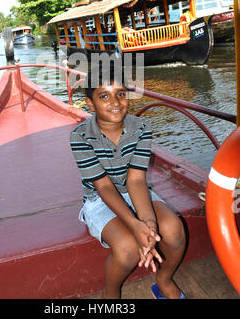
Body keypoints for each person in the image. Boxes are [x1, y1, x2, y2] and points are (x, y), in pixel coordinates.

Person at [70, 61, 186, 299]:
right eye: (104, 96)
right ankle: (110, 293)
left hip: (136, 191)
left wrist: (148, 225)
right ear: (90, 103)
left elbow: (136, 180)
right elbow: (102, 185)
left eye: (120, 94)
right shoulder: (79, 136)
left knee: (174, 231)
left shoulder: (140, 127)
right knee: (127, 249)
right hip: (100, 199)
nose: (115, 103)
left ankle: (163, 280)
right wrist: (135, 226)